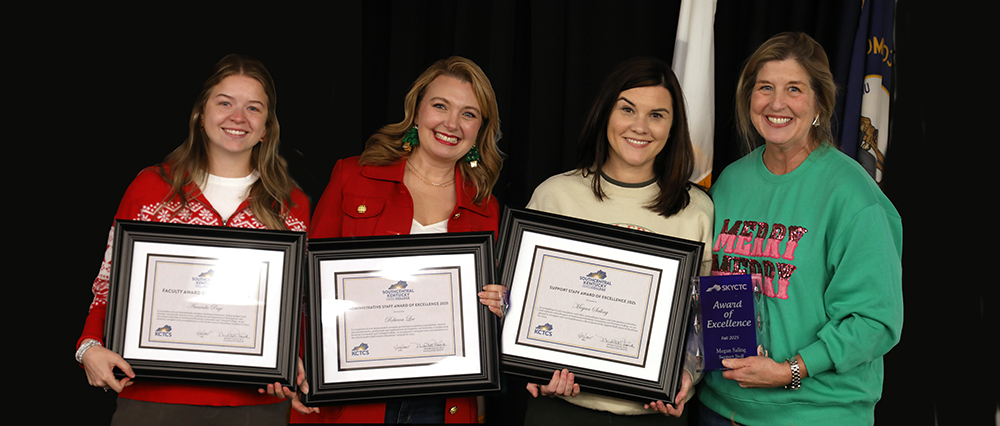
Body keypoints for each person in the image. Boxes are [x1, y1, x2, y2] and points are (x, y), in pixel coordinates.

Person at [75, 54, 312, 425]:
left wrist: (292, 359)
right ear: (201, 115)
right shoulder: (151, 187)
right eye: (225, 103)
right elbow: (109, 284)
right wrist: (87, 347)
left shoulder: (291, 205)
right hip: (153, 399)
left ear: (266, 127)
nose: (238, 117)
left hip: (254, 408)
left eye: (253, 108)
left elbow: (300, 305)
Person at [697, 32, 903, 426]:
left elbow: (875, 321)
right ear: (749, 98)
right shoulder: (730, 182)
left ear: (819, 103)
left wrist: (791, 370)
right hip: (721, 410)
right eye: (765, 88)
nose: (777, 103)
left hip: (815, 414)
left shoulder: (853, 195)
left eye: (794, 89)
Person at [299, 55, 505, 424]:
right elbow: (306, 282)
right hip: (354, 391)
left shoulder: (485, 207)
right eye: (440, 105)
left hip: (442, 400)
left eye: (469, 114)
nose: (451, 123)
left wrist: (497, 304)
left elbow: (486, 313)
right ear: (416, 110)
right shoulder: (354, 175)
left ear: (480, 130)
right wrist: (299, 362)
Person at [522, 56, 714, 425]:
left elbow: (703, 318)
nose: (640, 126)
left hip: (652, 414)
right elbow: (515, 302)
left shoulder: (697, 210)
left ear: (674, 127)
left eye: (657, 115)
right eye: (627, 109)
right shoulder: (555, 195)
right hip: (560, 409)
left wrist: (689, 373)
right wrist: (533, 362)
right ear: (605, 114)